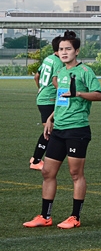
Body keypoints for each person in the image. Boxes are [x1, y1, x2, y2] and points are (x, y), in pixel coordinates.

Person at [23, 31, 101, 229]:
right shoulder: (60, 73)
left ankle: (75, 217)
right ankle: (45, 216)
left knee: (76, 174)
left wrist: (79, 93)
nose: (64, 52)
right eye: (61, 49)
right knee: (48, 172)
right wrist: (51, 118)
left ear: (76, 51)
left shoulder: (85, 71)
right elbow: (60, 100)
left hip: (77, 129)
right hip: (58, 128)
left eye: (68, 49)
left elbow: (99, 95)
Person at [30, 36, 63, 170]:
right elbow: (57, 82)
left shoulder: (48, 59)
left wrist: (40, 88)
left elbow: (36, 76)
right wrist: (65, 96)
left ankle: (36, 158)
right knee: (50, 130)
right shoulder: (59, 62)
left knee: (52, 129)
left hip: (43, 97)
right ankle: (36, 160)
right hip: (49, 99)